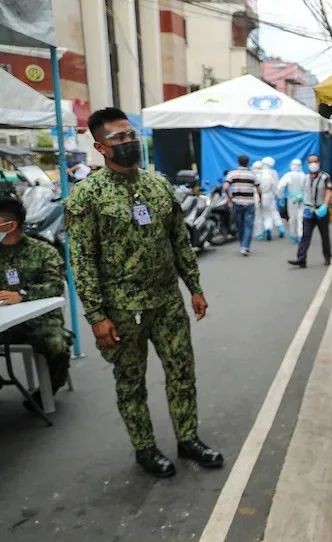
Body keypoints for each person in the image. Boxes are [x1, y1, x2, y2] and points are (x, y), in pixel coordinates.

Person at [65, 107, 223, 478]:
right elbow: (83, 261)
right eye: (118, 137)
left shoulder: (158, 185)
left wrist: (194, 287)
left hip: (167, 301)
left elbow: (179, 241)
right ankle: (145, 448)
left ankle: (188, 438)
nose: (128, 142)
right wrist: (97, 316)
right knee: (131, 382)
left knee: (182, 372)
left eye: (131, 135)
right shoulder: (87, 196)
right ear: (100, 147)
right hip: (122, 310)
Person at [0, 196, 73, 406]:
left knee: (56, 345)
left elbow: (55, 285)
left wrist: (23, 295)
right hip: (5, 321)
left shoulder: (43, 251)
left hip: (40, 320)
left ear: (11, 225)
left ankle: (49, 389)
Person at [288, 154, 332, 268]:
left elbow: (329, 191)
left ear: (319, 163)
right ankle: (301, 259)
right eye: (310, 162)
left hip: (321, 210)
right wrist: (299, 196)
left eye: (315, 162)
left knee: (324, 235)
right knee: (305, 235)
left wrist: (325, 205)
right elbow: (304, 191)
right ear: (308, 164)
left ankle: (327, 257)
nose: (313, 164)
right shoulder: (306, 178)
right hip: (308, 210)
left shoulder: (325, 177)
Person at [224, 154, 259, 256]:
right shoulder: (252, 175)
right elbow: (258, 188)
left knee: (239, 225)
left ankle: (242, 244)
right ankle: (245, 246)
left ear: (238, 162)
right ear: (248, 163)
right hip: (249, 203)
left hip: (236, 202)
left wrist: (229, 198)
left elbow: (225, 187)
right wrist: (260, 198)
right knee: (248, 225)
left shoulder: (232, 174)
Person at [277, 158, 307, 244]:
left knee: (292, 217)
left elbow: (280, 186)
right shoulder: (303, 175)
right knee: (301, 217)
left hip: (292, 199)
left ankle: (293, 235)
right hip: (302, 198)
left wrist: (280, 196)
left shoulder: (288, 175)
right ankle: (301, 235)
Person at [255, 156, 284, 241]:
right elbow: (275, 187)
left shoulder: (256, 173)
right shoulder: (272, 173)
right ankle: (270, 228)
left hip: (256, 196)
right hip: (269, 196)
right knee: (270, 214)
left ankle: (259, 234)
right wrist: (280, 196)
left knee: (258, 216)